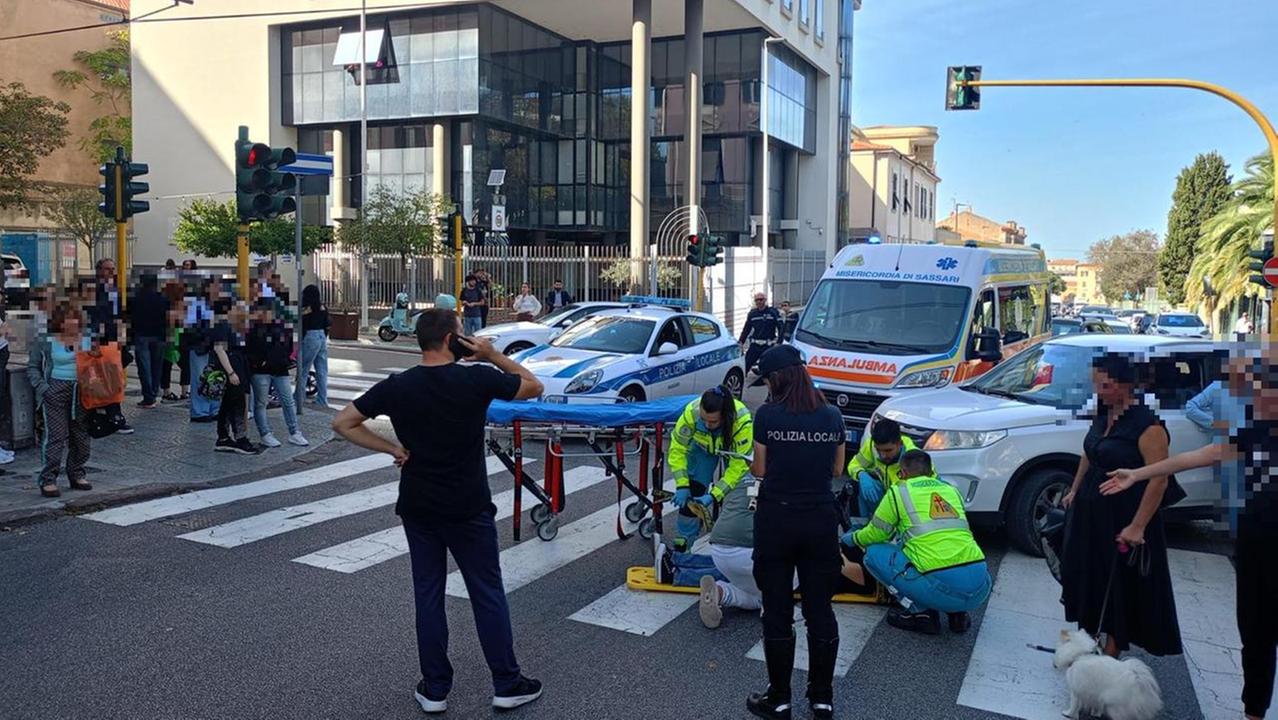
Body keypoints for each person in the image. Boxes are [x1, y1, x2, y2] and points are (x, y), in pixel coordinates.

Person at [331, 309, 545, 714]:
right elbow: (534, 386)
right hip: (468, 506)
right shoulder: (476, 378)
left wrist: (393, 449)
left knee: (428, 595)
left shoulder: (399, 386)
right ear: (452, 340)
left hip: (419, 504)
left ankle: (434, 689)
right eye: (463, 334)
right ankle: (507, 682)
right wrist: (491, 355)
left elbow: (342, 422)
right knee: (486, 593)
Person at [1102, 353, 1276, 720]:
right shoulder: (1257, 428)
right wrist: (1140, 473)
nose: (1253, 399)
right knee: (1255, 633)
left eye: (1260, 392)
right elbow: (1204, 454)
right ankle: (1254, 713)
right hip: (1255, 544)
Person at [1059, 353, 1182, 659]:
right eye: (1095, 383)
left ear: (1126, 385)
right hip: (1090, 511)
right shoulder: (1102, 412)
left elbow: (1159, 479)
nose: (1098, 390)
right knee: (1087, 574)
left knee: (1118, 585)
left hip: (1124, 515)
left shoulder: (1148, 426)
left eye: (1104, 383)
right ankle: (1087, 641)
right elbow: (1089, 451)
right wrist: (1074, 489)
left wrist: (1137, 526)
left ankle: (1111, 651)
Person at [746, 344, 845, 720]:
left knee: (778, 610)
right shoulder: (832, 415)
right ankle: (822, 698)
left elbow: (759, 471)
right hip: (819, 519)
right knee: (820, 611)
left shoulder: (767, 416)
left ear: (777, 379)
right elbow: (837, 471)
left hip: (777, 520)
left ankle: (779, 698)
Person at [841, 450, 990, 635]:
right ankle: (957, 615)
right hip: (981, 586)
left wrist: (852, 538)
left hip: (942, 590)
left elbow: (875, 534)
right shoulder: (950, 491)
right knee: (941, 550)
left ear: (902, 474)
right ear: (930, 471)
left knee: (873, 554)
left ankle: (921, 614)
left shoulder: (899, 491)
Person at [668, 385, 753, 551]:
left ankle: (729, 544)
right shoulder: (692, 412)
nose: (707, 425)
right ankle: (684, 543)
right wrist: (682, 484)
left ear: (726, 416)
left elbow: (738, 467)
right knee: (693, 492)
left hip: (733, 453)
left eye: (713, 421)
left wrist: (715, 496)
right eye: (704, 419)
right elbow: (677, 449)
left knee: (735, 495)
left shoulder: (742, 422)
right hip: (702, 449)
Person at [27, 302, 92, 497]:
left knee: (81, 435)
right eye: (67, 319)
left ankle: (77, 472)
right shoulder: (46, 340)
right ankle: (48, 478)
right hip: (55, 389)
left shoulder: (87, 338)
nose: (71, 323)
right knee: (56, 435)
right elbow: (33, 367)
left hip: (81, 391)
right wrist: (43, 388)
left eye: (75, 319)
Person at [248, 301, 307, 448]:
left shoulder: (281, 327)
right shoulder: (254, 329)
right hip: (261, 371)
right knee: (261, 403)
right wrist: (259, 362)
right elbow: (249, 350)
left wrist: (285, 359)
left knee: (288, 401)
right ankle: (265, 433)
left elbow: (288, 346)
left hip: (280, 369)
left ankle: (294, 432)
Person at [90, 258, 132, 434]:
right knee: (98, 380)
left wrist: (122, 335)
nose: (111, 272)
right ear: (99, 270)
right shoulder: (92, 290)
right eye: (108, 269)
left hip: (113, 341)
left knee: (113, 380)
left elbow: (118, 315)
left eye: (113, 269)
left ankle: (114, 415)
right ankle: (100, 414)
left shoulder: (114, 289)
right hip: (100, 342)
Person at [845, 418, 917, 519]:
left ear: (899, 444)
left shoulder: (914, 458)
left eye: (888, 450)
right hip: (888, 495)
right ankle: (859, 526)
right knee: (854, 484)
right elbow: (854, 465)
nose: (882, 455)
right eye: (878, 450)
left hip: (908, 505)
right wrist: (861, 474)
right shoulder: (871, 445)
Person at [210, 303, 256, 455]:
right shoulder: (222, 324)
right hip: (232, 368)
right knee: (237, 403)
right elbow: (219, 349)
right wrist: (230, 373)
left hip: (238, 366)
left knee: (229, 403)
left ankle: (224, 437)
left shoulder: (233, 325)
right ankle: (239, 438)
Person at [129, 273, 169, 409]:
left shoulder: (135, 298)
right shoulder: (162, 298)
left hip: (141, 335)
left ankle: (148, 396)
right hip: (159, 336)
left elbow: (129, 317)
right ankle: (154, 392)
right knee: (157, 366)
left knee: (144, 368)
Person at [299, 284, 330, 409]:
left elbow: (301, 324)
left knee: (303, 369)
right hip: (322, 336)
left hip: (311, 336)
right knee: (322, 370)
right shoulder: (323, 307)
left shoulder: (306, 309)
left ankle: (299, 398)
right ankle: (322, 400)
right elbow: (328, 323)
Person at [739, 292, 783, 374]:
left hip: (768, 345)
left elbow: (781, 327)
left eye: (761, 299)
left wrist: (779, 342)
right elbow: (746, 329)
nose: (759, 302)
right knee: (745, 365)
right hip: (755, 345)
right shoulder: (752, 314)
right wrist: (741, 342)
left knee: (769, 369)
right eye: (756, 300)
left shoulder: (773, 312)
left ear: (765, 300)